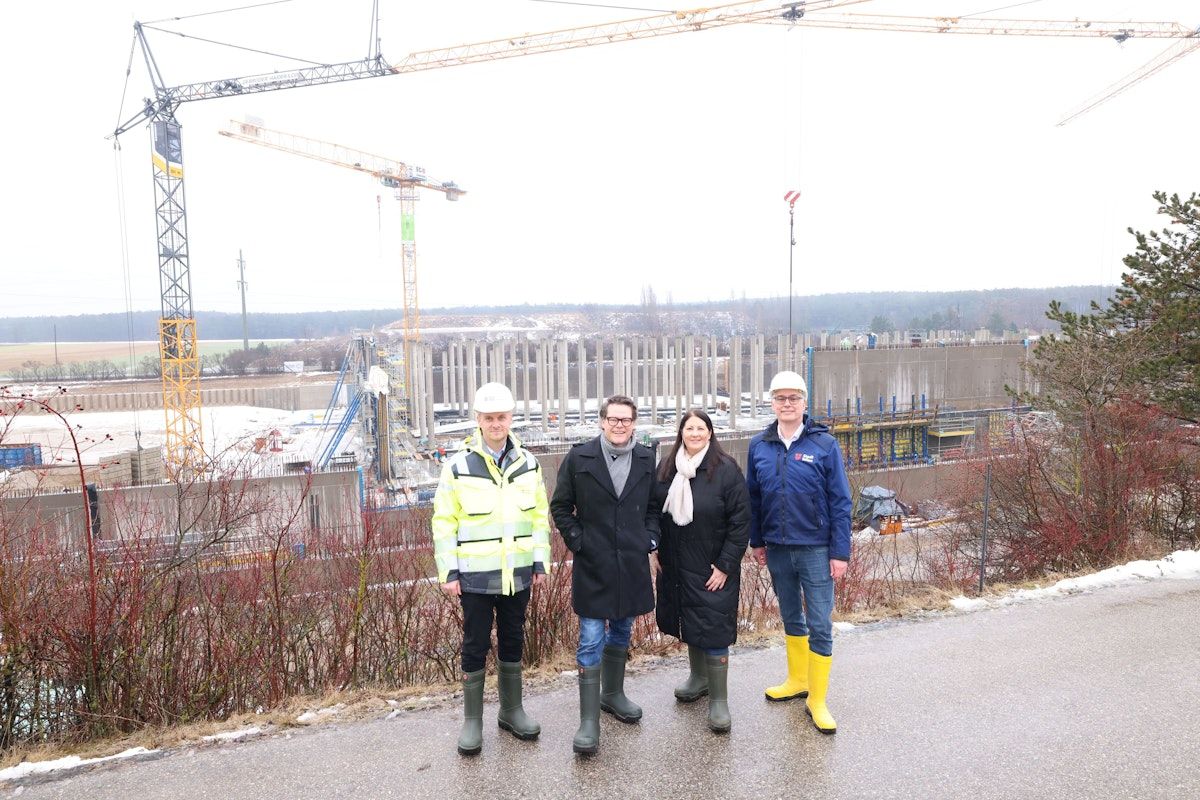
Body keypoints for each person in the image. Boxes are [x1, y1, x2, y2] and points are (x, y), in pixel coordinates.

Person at [431, 382, 552, 756]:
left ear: (510, 419)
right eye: (489, 418)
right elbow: (444, 521)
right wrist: (449, 571)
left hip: (517, 573)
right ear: (478, 421)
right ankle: (472, 722)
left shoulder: (527, 464)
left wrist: (539, 561)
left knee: (514, 639)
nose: (496, 424)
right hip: (475, 576)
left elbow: (538, 519)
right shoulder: (458, 466)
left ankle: (511, 711)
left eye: (502, 417)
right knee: (475, 644)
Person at [550, 394, 660, 755]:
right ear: (602, 421)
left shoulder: (646, 458)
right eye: (613, 419)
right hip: (594, 563)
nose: (619, 425)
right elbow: (561, 506)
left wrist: (650, 537)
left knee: (624, 627)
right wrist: (578, 541)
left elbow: (654, 507)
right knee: (592, 636)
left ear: (634, 423)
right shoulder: (579, 457)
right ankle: (588, 720)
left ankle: (613, 694)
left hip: (630, 562)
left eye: (626, 420)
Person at [746, 370, 852, 735]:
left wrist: (840, 552)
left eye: (793, 398)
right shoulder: (760, 445)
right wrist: (756, 541)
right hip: (777, 548)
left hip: (817, 549)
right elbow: (754, 500)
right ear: (772, 403)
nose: (786, 404)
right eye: (780, 398)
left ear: (805, 403)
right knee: (791, 616)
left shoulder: (824, 445)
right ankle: (797, 680)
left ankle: (817, 699)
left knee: (820, 623)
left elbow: (840, 501)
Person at [653, 409, 749, 733]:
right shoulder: (667, 469)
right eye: (688, 428)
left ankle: (719, 700)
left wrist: (725, 566)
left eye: (700, 428)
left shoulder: (726, 470)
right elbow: (655, 512)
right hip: (677, 564)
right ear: (681, 433)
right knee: (689, 619)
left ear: (710, 433)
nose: (694, 433)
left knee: (714, 626)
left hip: (712, 567)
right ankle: (698, 679)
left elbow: (740, 523)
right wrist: (657, 549)